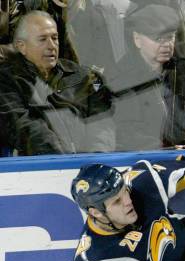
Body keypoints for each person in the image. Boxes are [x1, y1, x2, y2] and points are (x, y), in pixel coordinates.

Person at [0, 10, 114, 155]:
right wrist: (62, 161)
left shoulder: (81, 76)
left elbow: (101, 120)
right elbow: (24, 127)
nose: (52, 46)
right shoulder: (6, 80)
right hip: (40, 168)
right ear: (21, 46)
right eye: (42, 39)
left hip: (90, 163)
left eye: (54, 38)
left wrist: (98, 154)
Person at [107, 4, 185, 151]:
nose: (167, 44)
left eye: (170, 37)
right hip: (145, 158)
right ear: (137, 39)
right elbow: (125, 131)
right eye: (158, 38)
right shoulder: (120, 76)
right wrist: (165, 149)